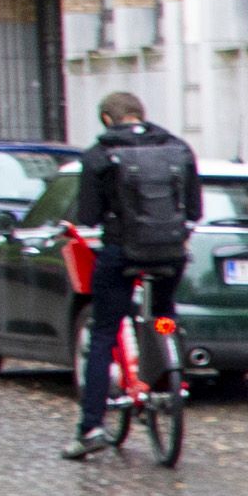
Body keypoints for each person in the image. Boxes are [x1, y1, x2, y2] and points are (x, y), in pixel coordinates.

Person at [64, 89, 198, 462]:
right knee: (165, 313)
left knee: (104, 331)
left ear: (108, 119)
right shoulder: (178, 149)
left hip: (121, 253)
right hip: (171, 252)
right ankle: (171, 365)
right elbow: (194, 208)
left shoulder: (99, 155)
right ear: (142, 114)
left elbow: (89, 216)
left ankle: (90, 426)